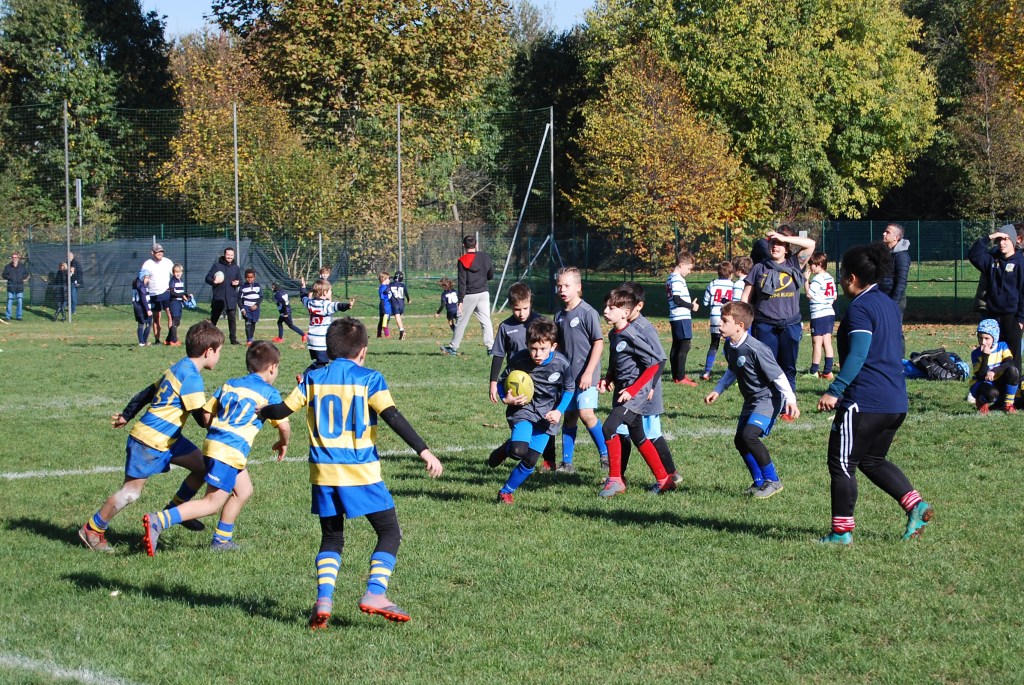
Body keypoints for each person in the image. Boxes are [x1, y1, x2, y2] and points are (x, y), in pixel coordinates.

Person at [257, 317, 443, 628]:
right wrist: (424, 451)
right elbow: (393, 416)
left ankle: (324, 599)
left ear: (329, 350)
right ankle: (375, 592)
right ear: (363, 351)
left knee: (332, 537)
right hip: (360, 473)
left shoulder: (312, 378)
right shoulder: (370, 379)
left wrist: (264, 411)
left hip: (323, 474)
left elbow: (282, 410)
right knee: (389, 532)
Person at [816, 242, 933, 545]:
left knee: (842, 464)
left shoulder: (860, 308)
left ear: (852, 277)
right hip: (895, 400)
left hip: (865, 401)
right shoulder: (888, 304)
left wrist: (835, 390)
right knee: (872, 460)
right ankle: (916, 506)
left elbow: (858, 354)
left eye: (842, 275)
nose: (840, 281)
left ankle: (841, 532)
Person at [79, 320, 225, 552]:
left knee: (203, 467)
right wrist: (227, 424)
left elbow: (148, 391)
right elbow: (201, 419)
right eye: (219, 352)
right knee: (130, 493)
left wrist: (127, 414)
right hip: (149, 441)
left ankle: (176, 511)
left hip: (169, 439)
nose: (219, 357)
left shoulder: (179, 367)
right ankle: (92, 529)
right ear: (208, 351)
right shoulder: (192, 378)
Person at [142, 341, 291, 555]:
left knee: (244, 490)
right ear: (273, 367)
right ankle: (159, 520)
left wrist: (219, 430)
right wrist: (283, 443)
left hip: (215, 443)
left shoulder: (230, 384)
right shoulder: (270, 394)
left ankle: (221, 540)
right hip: (229, 451)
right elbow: (284, 426)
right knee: (212, 503)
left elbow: (205, 413)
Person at [704, 301, 798, 499]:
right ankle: (759, 481)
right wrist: (718, 390)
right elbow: (732, 370)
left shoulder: (756, 348)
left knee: (749, 436)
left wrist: (791, 400)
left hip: (769, 398)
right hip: (751, 399)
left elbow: (778, 375)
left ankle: (773, 481)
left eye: (724, 321)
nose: (720, 324)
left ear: (740, 325)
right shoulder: (729, 346)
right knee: (740, 440)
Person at [598, 286, 674, 498]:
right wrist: (608, 378)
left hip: (634, 395)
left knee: (609, 428)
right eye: (605, 307)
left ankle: (615, 480)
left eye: (611, 308)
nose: (605, 311)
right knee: (638, 436)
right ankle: (664, 480)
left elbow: (654, 363)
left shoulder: (632, 334)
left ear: (625, 312)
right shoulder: (614, 334)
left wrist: (634, 389)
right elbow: (616, 361)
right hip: (623, 391)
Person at [488, 319, 573, 504]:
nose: (537, 354)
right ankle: (509, 448)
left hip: (547, 416)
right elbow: (502, 382)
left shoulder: (561, 363)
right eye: (533, 348)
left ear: (553, 346)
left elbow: (569, 389)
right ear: (527, 344)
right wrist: (506, 398)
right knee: (518, 451)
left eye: (543, 349)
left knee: (530, 460)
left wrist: (559, 411)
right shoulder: (519, 359)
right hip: (523, 410)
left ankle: (505, 492)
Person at [742, 227, 815, 419]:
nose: (775, 247)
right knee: (766, 369)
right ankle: (767, 407)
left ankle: (788, 408)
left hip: (790, 326)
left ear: (787, 248)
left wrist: (783, 237)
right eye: (773, 244)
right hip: (764, 326)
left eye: (780, 244)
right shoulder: (759, 268)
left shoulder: (794, 263)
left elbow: (811, 244)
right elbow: (745, 298)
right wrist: (741, 321)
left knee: (788, 367)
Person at [615, 283, 679, 488]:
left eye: (626, 304)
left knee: (651, 433)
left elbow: (659, 359)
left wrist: (650, 387)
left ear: (638, 306)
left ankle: (671, 474)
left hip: (646, 390)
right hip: (630, 391)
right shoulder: (624, 328)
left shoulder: (644, 328)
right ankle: (618, 477)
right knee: (622, 432)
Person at [552, 266, 609, 473]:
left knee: (586, 414)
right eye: (559, 286)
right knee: (570, 417)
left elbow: (598, 343)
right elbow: (559, 346)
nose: (562, 290)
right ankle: (567, 463)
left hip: (586, 375)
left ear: (578, 287)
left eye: (567, 286)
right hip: (568, 378)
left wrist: (589, 372)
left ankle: (606, 455)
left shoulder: (587, 312)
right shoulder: (559, 315)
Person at [969, 224, 1024, 372]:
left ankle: (1014, 384)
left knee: (1012, 355)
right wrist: (989, 237)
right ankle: (993, 382)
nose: (1001, 243)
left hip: (1012, 316)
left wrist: (1021, 318)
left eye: (1005, 239)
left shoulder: (1020, 263)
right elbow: (973, 255)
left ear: (1014, 241)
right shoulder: (992, 260)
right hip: (992, 315)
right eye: (999, 240)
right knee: (993, 352)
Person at [441, 235, 494, 355]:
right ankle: (491, 348)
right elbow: (490, 275)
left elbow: (462, 282)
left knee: (461, 321)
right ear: (476, 244)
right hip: (484, 293)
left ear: (464, 246)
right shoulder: (485, 257)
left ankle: (453, 348)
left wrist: (460, 300)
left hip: (470, 294)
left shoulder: (462, 260)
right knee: (486, 320)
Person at [488, 282, 541, 403]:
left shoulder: (541, 322)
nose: (521, 314)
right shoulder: (505, 327)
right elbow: (499, 354)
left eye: (525, 308)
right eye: (517, 309)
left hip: (540, 377)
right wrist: (493, 382)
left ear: (531, 303)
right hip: (517, 380)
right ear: (511, 306)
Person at [968, 319, 1019, 414]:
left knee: (1013, 371)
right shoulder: (975, 353)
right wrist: (985, 356)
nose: (983, 342)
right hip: (982, 384)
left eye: (987, 338)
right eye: (980, 338)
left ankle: (1008, 404)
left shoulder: (1002, 346)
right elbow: (981, 376)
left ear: (994, 338)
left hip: (998, 380)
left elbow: (1010, 362)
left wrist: (994, 371)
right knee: (992, 393)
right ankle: (981, 402)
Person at [301, 277, 353, 370]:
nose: (331, 292)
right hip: (321, 340)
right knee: (322, 362)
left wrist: (303, 287)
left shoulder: (310, 303)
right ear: (325, 293)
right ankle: (306, 375)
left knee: (321, 361)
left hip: (312, 338)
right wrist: (347, 306)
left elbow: (303, 297)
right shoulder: (326, 305)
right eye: (330, 290)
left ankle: (312, 375)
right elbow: (338, 306)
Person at [666, 251, 701, 386]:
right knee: (685, 345)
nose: (689, 272)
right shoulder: (677, 279)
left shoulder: (670, 278)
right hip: (681, 316)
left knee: (677, 345)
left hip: (675, 316)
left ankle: (676, 376)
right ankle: (680, 377)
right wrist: (691, 306)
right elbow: (677, 299)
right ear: (681, 265)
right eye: (688, 268)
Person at [804, 252, 838, 379]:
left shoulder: (817, 278)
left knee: (816, 343)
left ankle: (814, 371)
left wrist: (806, 281)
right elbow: (835, 296)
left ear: (819, 264)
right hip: (829, 313)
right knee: (827, 342)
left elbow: (809, 294)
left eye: (811, 265)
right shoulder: (830, 277)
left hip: (819, 314)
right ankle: (828, 371)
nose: (810, 267)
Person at [702, 261, 735, 381]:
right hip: (728, 317)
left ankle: (706, 372)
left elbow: (705, 302)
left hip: (715, 317)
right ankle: (732, 370)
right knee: (730, 344)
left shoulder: (712, 284)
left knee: (714, 344)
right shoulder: (733, 285)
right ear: (731, 273)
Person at [206, 247, 243, 345]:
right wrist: (214, 281)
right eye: (228, 255)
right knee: (214, 319)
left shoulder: (236, 268)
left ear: (234, 256)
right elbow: (207, 278)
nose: (230, 257)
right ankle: (209, 338)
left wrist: (238, 283)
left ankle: (233, 339)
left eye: (231, 255)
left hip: (231, 298)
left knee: (232, 320)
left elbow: (241, 280)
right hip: (219, 298)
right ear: (224, 255)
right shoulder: (217, 266)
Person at [142, 244, 175, 344]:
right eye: (157, 252)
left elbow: (175, 275)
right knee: (156, 317)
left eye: (161, 251)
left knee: (170, 314)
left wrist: (173, 288)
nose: (160, 253)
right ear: (152, 253)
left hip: (166, 292)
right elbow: (143, 279)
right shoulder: (147, 264)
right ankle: (157, 340)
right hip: (153, 294)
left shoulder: (168, 262)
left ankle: (171, 338)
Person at [878, 223, 911, 312]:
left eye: (888, 232)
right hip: (882, 298)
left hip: (894, 301)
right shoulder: (883, 254)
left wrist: (893, 304)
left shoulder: (902, 256)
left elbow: (901, 282)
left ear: (896, 237)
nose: (884, 234)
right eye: (884, 231)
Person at [165, 263, 189, 347]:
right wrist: (181, 296)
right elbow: (172, 292)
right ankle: (173, 341)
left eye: (179, 272)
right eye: (176, 272)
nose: (178, 274)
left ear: (182, 272)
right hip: (174, 302)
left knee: (177, 322)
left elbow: (179, 292)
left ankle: (168, 340)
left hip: (179, 303)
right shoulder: (173, 281)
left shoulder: (180, 281)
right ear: (173, 272)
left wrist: (186, 294)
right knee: (175, 321)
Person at [240, 268, 262, 345]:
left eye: (251, 277)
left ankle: (251, 338)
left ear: (254, 277)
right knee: (248, 323)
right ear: (245, 277)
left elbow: (261, 297)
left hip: (255, 308)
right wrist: (242, 309)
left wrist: (256, 305)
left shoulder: (257, 286)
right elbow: (239, 298)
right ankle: (249, 340)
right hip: (247, 308)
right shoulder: (243, 287)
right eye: (248, 277)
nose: (249, 279)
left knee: (253, 323)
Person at [3, 251, 28, 321]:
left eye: (15, 257)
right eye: (13, 257)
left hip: (19, 287)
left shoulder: (22, 266)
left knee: (20, 301)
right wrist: (9, 277)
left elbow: (26, 274)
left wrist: (22, 278)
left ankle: (19, 316)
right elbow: (4, 275)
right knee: (9, 301)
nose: (14, 259)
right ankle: (8, 316)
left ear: (18, 258)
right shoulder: (8, 266)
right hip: (11, 287)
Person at [132, 269, 154, 346]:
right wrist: (148, 309)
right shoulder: (142, 286)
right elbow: (143, 298)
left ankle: (142, 342)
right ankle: (142, 341)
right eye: (147, 277)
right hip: (143, 308)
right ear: (142, 277)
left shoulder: (136, 284)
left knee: (140, 324)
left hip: (137, 307)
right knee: (148, 324)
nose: (148, 279)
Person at [389, 270, 411, 340]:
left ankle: (402, 331)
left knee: (397, 318)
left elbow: (386, 292)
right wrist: (408, 299)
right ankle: (401, 330)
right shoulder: (403, 285)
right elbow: (406, 293)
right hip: (401, 304)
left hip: (395, 303)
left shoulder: (391, 284)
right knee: (399, 318)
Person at [377, 272, 392, 338]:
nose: (389, 280)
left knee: (385, 321)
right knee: (384, 321)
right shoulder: (382, 288)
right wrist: (383, 309)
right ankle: (386, 334)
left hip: (388, 306)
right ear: (383, 279)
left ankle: (379, 334)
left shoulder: (387, 287)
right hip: (385, 307)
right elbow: (382, 299)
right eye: (388, 279)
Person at [67, 251, 82, 315]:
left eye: (69, 256)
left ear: (72, 256)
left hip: (74, 282)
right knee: (70, 296)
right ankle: (71, 309)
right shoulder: (68, 263)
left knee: (73, 296)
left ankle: (73, 310)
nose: (67, 257)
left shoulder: (74, 262)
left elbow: (72, 270)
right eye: (67, 256)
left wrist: (78, 281)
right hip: (69, 282)